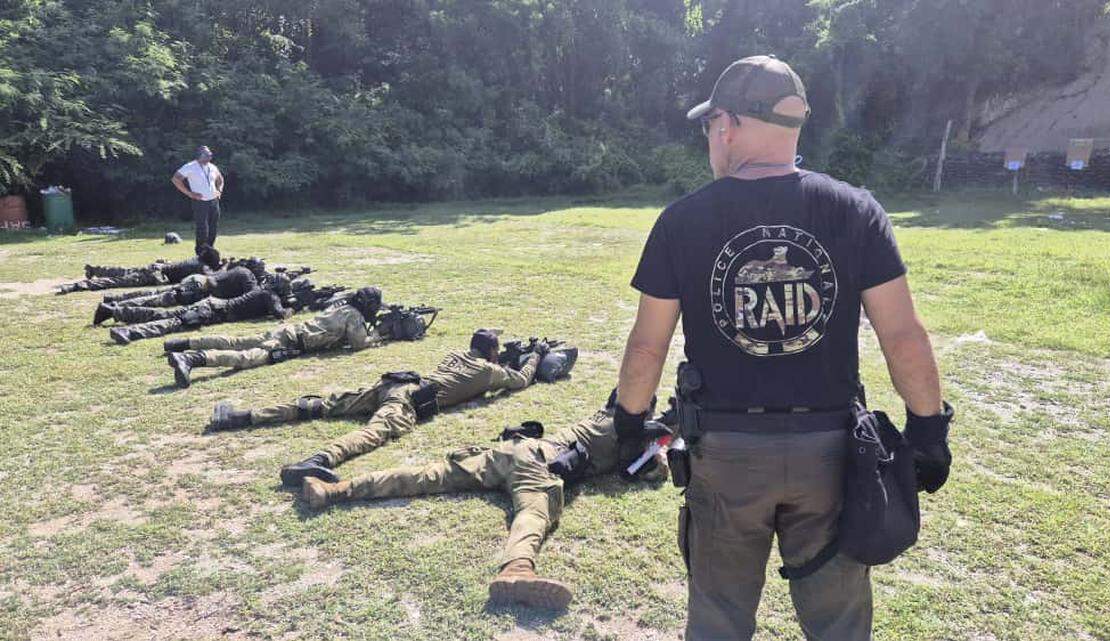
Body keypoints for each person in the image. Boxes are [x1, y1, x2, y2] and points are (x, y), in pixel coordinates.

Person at [612, 55, 951, 641]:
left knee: (719, 618)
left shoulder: (682, 221)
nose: (710, 139)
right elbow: (903, 335)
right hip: (831, 457)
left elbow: (647, 346)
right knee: (839, 622)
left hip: (725, 456)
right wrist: (928, 430)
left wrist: (629, 425)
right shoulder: (856, 211)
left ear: (728, 124)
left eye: (709, 126)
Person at [299, 392, 670, 610]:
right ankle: (517, 570)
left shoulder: (602, 417)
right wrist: (661, 449)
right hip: (538, 464)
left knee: (429, 476)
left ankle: (335, 489)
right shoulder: (630, 431)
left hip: (512, 449)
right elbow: (645, 473)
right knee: (534, 512)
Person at [207, 330, 575, 486]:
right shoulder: (489, 370)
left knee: (322, 404)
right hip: (408, 400)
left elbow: (474, 368)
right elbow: (520, 380)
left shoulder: (459, 355)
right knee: (373, 432)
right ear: (493, 354)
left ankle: (240, 415)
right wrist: (535, 357)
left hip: (394, 381)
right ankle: (318, 460)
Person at [162, 287, 432, 388]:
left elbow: (366, 313)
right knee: (247, 358)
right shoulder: (354, 317)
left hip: (289, 330)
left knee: (238, 340)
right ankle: (191, 359)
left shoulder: (343, 304)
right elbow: (360, 344)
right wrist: (383, 336)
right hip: (291, 342)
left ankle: (181, 343)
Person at [108, 276, 294, 346]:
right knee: (174, 322)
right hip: (214, 311)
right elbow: (280, 314)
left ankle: (118, 312)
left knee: (165, 314)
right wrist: (293, 308)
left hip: (212, 305)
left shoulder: (261, 290)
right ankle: (128, 331)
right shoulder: (271, 296)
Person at [92, 265, 258, 325]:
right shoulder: (248, 276)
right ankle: (114, 309)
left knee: (155, 296)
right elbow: (252, 295)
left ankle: (115, 303)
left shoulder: (238, 270)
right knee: (160, 304)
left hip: (197, 281)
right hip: (199, 290)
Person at [58, 246, 222, 294]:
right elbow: (214, 277)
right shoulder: (202, 267)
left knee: (124, 272)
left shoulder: (195, 260)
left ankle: (95, 270)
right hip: (157, 275)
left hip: (157, 267)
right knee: (119, 281)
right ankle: (75, 286)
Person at [172, 145, 225, 252]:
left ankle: (210, 250)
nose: (210, 156)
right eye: (208, 155)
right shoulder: (190, 166)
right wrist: (190, 194)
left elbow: (220, 179)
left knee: (213, 228)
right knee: (202, 229)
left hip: (214, 201)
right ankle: (200, 252)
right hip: (200, 202)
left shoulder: (212, 167)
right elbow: (175, 179)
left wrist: (219, 190)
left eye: (210, 154)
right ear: (200, 155)